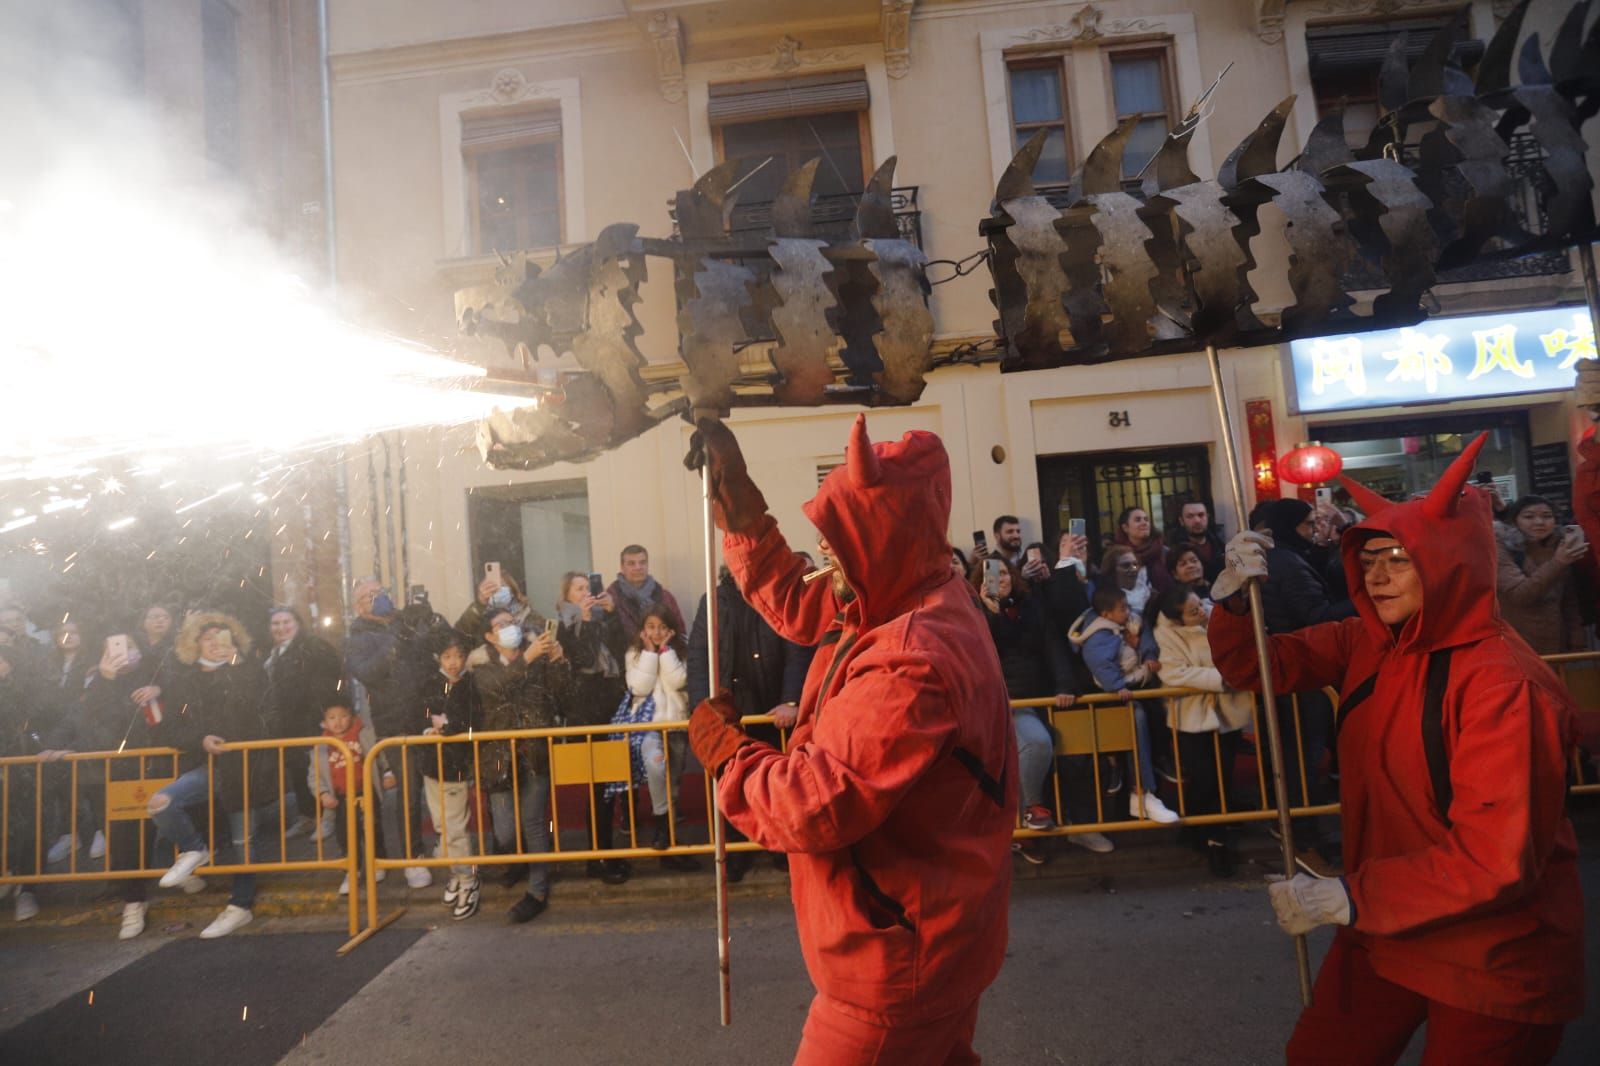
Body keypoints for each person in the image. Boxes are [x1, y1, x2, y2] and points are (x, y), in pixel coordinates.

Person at [1209, 434, 1584, 1064]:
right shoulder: (1367, 639)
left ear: (1448, 562)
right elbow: (1258, 667)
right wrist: (1234, 602)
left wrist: (1350, 896)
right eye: (1370, 558)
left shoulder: (1501, 683)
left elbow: (1496, 857)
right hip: (1383, 927)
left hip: (1489, 948)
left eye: (1400, 559)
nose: (1376, 576)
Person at [687, 415, 1016, 1063]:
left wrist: (728, 754)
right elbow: (799, 596)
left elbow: (814, 803)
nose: (825, 551)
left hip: (898, 959)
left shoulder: (913, 656)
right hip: (936, 934)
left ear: (881, 541)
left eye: (839, 538)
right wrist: (742, 514)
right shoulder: (907, 591)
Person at [973, 557, 1112, 858]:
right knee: (1034, 745)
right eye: (991, 573)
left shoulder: (1032, 606)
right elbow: (981, 651)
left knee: (1069, 753)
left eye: (1005, 571)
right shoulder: (975, 612)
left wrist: (1064, 685)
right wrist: (990, 611)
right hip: (1001, 702)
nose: (1000, 577)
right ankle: (1028, 821)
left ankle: (1063, 825)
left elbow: (1052, 647)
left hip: (1040, 695)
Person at [687, 566, 813, 880]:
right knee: (731, 783)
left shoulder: (777, 597)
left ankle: (781, 849)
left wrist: (791, 700)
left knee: (777, 784)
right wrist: (705, 708)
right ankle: (735, 854)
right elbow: (699, 656)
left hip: (773, 712)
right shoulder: (713, 602)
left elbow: (796, 649)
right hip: (731, 711)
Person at [147, 612, 268, 939]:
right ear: (195, 641)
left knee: (244, 841)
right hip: (207, 765)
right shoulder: (185, 680)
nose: (215, 642)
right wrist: (200, 739)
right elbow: (171, 727)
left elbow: (259, 709)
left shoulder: (248, 669)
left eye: (222, 635)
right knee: (161, 802)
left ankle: (240, 906)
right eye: (208, 636)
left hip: (246, 765)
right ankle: (193, 848)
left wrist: (236, 667)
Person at [1254, 498, 1356, 874]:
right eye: (1308, 524)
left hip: (1295, 670)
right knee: (1303, 757)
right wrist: (1355, 604)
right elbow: (1314, 616)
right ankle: (1304, 836)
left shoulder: (1286, 558)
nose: (1314, 530)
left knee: (1301, 755)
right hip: (1300, 672)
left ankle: (1304, 830)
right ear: (1289, 527)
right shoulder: (1287, 564)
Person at [345, 576, 446, 888]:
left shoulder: (406, 620)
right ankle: (412, 858)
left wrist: (430, 618)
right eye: (369, 596)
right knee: (408, 791)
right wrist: (395, 637)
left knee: (443, 783)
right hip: (394, 721)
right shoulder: (356, 637)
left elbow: (439, 650)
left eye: (380, 592)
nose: (377, 598)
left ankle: (448, 845)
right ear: (358, 606)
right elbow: (368, 672)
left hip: (428, 715)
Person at [471, 609, 566, 917]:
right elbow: (497, 689)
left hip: (534, 752)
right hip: (498, 756)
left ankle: (537, 889)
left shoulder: (535, 655)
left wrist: (558, 661)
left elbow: (561, 692)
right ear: (489, 636)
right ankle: (523, 862)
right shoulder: (481, 665)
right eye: (501, 625)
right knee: (506, 832)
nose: (509, 628)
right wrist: (527, 659)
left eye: (512, 622)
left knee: (534, 822)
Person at [1151, 583, 1251, 876]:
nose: (1203, 612)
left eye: (1201, 605)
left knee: (1224, 775)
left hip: (1227, 713)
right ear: (1177, 619)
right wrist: (1221, 678)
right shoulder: (1164, 635)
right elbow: (1173, 672)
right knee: (1205, 779)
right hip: (1191, 716)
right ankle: (1212, 839)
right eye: (1194, 612)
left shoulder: (1215, 617)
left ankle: (1207, 833)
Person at [1067, 587, 1179, 824]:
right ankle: (1142, 791)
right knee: (1136, 720)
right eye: (1122, 609)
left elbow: (1145, 634)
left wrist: (1147, 653)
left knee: (1150, 718)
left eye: (1127, 606)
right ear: (1107, 615)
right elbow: (1101, 666)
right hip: (1115, 695)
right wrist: (1117, 686)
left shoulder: (1130, 622)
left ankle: (1143, 792)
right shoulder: (1097, 637)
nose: (1127, 612)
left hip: (1138, 686)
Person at [553, 571, 631, 886]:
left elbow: (624, 649)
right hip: (585, 715)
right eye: (580, 588)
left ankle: (605, 854)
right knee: (596, 789)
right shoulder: (563, 624)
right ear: (568, 594)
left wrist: (611, 615)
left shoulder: (600, 620)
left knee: (608, 788)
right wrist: (584, 621)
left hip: (610, 711)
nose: (587, 593)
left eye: (590, 588)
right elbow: (582, 660)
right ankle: (596, 857)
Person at [614, 608, 698, 872]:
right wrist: (650, 653)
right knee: (656, 767)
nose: (657, 632)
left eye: (662, 627)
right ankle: (662, 827)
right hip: (648, 727)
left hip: (676, 725)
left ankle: (669, 842)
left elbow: (679, 681)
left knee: (672, 784)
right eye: (651, 626)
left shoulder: (681, 651)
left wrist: (665, 652)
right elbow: (638, 687)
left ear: (671, 629)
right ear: (643, 629)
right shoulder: (635, 653)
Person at [261, 606, 344, 838]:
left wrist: (322, 717)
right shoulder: (275, 654)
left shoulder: (314, 648)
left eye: (286, 622)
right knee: (298, 772)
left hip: (312, 722)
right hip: (288, 726)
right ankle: (308, 817)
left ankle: (328, 818)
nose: (281, 628)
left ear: (298, 624)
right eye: (275, 624)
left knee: (320, 773)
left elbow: (326, 686)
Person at [418, 634, 483, 920]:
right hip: (432, 766)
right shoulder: (431, 683)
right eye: (447, 657)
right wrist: (429, 728)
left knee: (456, 827)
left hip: (457, 765)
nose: (453, 662)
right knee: (442, 826)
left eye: (458, 656)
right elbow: (422, 714)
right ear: (439, 659)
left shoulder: (471, 685)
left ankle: (468, 880)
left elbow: (469, 720)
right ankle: (456, 873)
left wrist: (445, 726)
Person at [1495, 495, 1588, 655]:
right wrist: (1558, 562)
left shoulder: (1560, 547)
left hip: (1558, 646)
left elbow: (1569, 603)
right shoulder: (1502, 548)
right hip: (1519, 646)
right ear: (1515, 521)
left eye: (1547, 516)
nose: (1539, 522)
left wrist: (1578, 642)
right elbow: (1519, 594)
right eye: (1529, 517)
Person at [309, 698, 383, 897]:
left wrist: (387, 773)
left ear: (352, 716)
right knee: (346, 835)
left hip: (365, 791)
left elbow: (378, 756)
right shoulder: (321, 746)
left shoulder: (362, 734)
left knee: (373, 828)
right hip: (341, 797)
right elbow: (314, 776)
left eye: (343, 716)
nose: (338, 721)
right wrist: (323, 793)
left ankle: (378, 861)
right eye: (332, 718)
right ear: (324, 723)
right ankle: (352, 870)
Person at [607, 545, 687, 642]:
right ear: (622, 567)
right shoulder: (610, 599)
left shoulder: (665, 597)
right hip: (624, 655)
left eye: (642, 562)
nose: (638, 567)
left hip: (663, 654)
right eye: (631, 563)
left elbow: (680, 632)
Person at [1114, 506, 1172, 595]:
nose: (1144, 523)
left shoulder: (1164, 552)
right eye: (1138, 520)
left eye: (1146, 519)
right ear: (1125, 528)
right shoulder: (1117, 556)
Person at [1170, 500, 1225, 582]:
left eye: (1201, 515)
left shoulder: (1221, 546)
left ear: (1207, 517)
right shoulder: (1175, 551)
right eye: (1190, 516)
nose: (1197, 520)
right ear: (1181, 521)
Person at [1095, 544, 1152, 616]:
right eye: (1126, 566)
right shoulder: (1107, 598)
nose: (1133, 569)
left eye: (1135, 564)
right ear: (1112, 570)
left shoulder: (1148, 590)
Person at [1166, 545, 1213, 610]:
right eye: (1183, 564)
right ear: (1175, 574)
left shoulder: (1218, 587)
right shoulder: (1177, 601)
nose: (1190, 566)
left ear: (1202, 565)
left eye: (1194, 561)